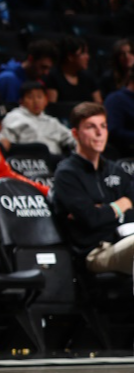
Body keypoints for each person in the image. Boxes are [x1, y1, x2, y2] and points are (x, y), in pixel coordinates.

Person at [54, 103, 134, 275]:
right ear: (75, 133)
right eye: (91, 127)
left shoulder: (115, 170)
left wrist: (103, 211)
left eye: (103, 126)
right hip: (96, 252)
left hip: (126, 238)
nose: (99, 133)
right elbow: (91, 219)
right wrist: (122, 205)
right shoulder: (67, 174)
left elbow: (130, 207)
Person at [0, 80, 75, 154]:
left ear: (46, 100)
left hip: (53, 161)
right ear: (21, 101)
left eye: (39, 97)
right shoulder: (12, 118)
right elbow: (4, 142)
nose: (36, 101)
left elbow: (71, 138)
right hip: (27, 161)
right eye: (30, 97)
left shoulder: (52, 122)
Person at [0, 39, 58, 105]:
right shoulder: (8, 79)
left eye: (49, 68)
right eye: (43, 67)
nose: (46, 73)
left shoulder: (38, 82)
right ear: (31, 59)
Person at [46, 35, 102, 105]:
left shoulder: (89, 77)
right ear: (70, 57)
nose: (88, 57)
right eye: (83, 53)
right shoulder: (53, 77)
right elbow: (53, 107)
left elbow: (98, 104)